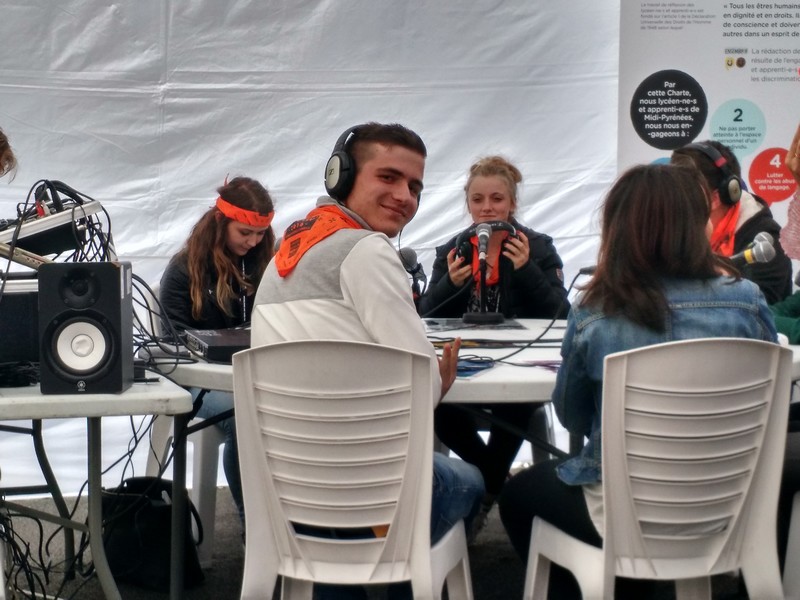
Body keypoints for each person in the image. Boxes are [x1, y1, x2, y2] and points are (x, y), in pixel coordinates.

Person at [497, 163, 777, 596]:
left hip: (620, 515)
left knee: (517, 497)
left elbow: (571, 417)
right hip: (732, 504)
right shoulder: (747, 300)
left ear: (618, 230)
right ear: (694, 226)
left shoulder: (595, 311)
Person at [251, 122, 485, 600]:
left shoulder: (284, 253)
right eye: (389, 177)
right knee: (470, 479)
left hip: (289, 486)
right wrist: (439, 379)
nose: (405, 196)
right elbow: (422, 390)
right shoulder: (368, 251)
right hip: (365, 488)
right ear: (341, 175)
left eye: (415, 186)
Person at [417, 155, 569, 538]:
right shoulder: (452, 249)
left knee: (516, 407)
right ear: (468, 204)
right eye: (478, 199)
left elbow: (563, 316)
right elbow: (423, 316)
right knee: (435, 405)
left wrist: (528, 271)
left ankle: (481, 492)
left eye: (497, 199)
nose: (487, 208)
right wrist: (450, 284)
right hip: (465, 360)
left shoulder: (538, 247)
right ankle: (492, 483)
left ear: (512, 204)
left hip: (519, 363)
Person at [159, 176, 276, 525]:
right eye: (245, 233)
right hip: (201, 382)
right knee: (247, 416)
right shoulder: (183, 270)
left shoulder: (263, 262)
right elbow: (171, 341)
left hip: (255, 374)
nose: (254, 242)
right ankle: (254, 529)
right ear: (221, 223)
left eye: (259, 234)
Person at [671, 139, 792, 304]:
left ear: (716, 197)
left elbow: (760, 313)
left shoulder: (767, 242)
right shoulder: (672, 232)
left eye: (685, 190)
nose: (675, 198)